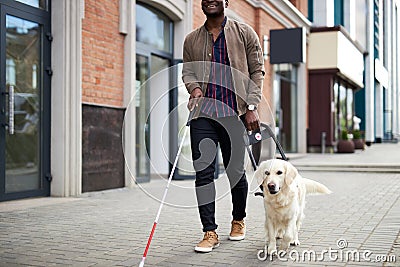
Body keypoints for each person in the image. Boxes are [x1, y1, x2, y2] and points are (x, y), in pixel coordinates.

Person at [182, 0, 265, 253]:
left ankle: (238, 219)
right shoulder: (191, 39)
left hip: (235, 114)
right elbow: (188, 72)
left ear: (226, 1)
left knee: (236, 173)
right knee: (203, 174)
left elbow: (257, 71)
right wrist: (194, 88)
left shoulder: (244, 33)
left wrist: (251, 107)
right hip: (203, 116)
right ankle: (209, 232)